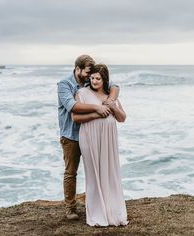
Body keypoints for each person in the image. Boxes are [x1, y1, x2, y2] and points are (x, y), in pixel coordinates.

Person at [57, 55, 119, 220]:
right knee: (71, 172)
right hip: (71, 135)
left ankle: (101, 204)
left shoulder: (88, 80)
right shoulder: (65, 84)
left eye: (91, 74)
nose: (88, 76)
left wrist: (111, 100)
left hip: (92, 134)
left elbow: (113, 85)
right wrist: (97, 108)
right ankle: (70, 208)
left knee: (98, 169)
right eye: (86, 72)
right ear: (77, 69)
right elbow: (73, 107)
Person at [71, 64, 128, 226]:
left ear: (104, 80)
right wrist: (96, 113)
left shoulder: (111, 96)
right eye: (92, 78)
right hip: (89, 137)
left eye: (98, 78)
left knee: (110, 172)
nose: (94, 81)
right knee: (94, 174)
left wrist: (112, 106)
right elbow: (75, 118)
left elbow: (122, 118)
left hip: (108, 139)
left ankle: (112, 212)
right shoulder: (82, 93)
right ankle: (97, 214)